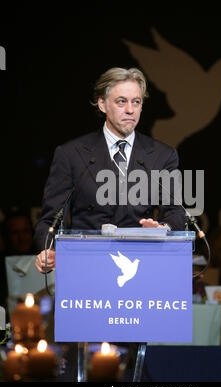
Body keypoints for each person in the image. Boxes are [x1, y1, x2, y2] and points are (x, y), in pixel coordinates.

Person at [34, 67, 186, 272]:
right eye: (121, 101)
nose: (130, 110)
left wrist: (162, 230)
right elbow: (50, 219)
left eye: (137, 102)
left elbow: (176, 212)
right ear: (102, 104)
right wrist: (47, 250)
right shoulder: (71, 154)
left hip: (140, 266)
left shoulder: (162, 155)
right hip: (85, 266)